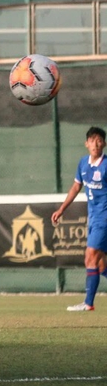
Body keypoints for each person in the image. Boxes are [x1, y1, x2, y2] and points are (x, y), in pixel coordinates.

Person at [52, 125, 107, 312]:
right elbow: (76, 188)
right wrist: (61, 209)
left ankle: (88, 303)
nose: (96, 144)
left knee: (90, 257)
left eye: (99, 140)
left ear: (104, 144)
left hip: (104, 219)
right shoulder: (83, 163)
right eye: (92, 140)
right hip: (93, 219)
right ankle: (88, 302)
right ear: (86, 144)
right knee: (100, 264)